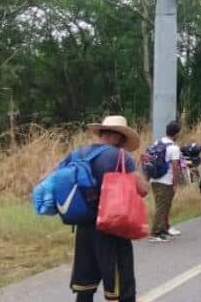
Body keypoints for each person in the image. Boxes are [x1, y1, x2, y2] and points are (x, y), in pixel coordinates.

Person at [70, 115, 148, 302]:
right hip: (113, 226)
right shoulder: (121, 156)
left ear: (102, 133)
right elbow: (143, 190)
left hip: (84, 227)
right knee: (122, 284)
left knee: (85, 286)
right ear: (117, 137)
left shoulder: (79, 153)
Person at [143, 120, 182, 242]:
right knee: (162, 207)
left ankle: (163, 228)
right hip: (166, 181)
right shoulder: (174, 148)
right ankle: (155, 233)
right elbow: (176, 166)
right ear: (176, 133)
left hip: (155, 179)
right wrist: (175, 183)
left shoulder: (157, 143)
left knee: (165, 205)